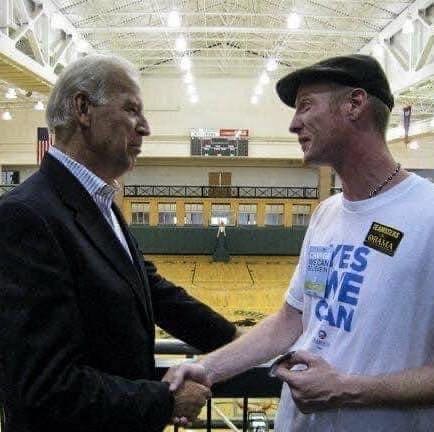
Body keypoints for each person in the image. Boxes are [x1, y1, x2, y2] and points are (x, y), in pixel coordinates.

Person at [164, 55, 434, 431]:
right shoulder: (326, 214)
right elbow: (291, 321)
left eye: (306, 106)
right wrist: (207, 367)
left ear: (354, 105)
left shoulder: (428, 214)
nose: (293, 124)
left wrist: (347, 390)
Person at [0, 54, 240, 432]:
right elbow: (44, 387)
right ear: (83, 109)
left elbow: (154, 292)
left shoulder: (97, 203)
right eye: (132, 110)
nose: (145, 127)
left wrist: (242, 343)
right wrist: (165, 399)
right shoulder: (26, 216)